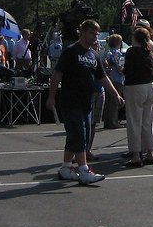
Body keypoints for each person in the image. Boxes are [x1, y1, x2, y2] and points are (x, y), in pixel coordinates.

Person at [46, 20, 124, 185]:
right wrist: (51, 96)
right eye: (92, 33)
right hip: (70, 100)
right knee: (79, 135)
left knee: (81, 136)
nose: (95, 37)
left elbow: (103, 77)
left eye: (96, 34)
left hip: (86, 102)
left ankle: (66, 167)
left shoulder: (94, 55)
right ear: (82, 33)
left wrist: (116, 94)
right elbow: (57, 74)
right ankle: (84, 170)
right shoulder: (71, 51)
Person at [122, 27, 153, 167]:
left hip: (134, 86)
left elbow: (128, 70)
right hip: (149, 86)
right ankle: (150, 152)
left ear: (135, 38)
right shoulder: (150, 52)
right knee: (147, 122)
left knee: (134, 121)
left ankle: (136, 155)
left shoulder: (132, 51)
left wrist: (122, 69)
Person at [102, 34, 125, 130]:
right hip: (117, 79)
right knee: (115, 101)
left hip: (108, 79)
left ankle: (107, 121)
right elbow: (120, 68)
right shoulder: (118, 54)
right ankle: (113, 122)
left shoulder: (106, 53)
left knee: (108, 101)